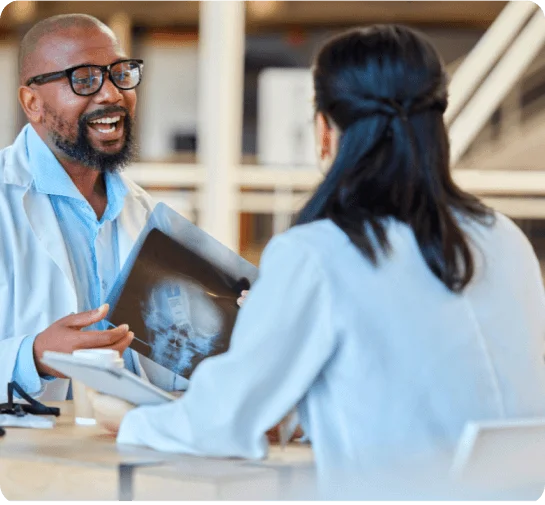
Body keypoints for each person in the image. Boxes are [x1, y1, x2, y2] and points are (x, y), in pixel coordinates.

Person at [93, 24, 545, 477]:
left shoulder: (319, 253)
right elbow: (417, 389)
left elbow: (221, 425)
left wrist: (130, 419)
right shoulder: (505, 238)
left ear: (325, 130)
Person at [0, 13, 249, 402]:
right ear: (32, 102)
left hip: (127, 447)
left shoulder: (149, 216)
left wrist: (234, 328)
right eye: (84, 79)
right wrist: (32, 356)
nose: (111, 94)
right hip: (23, 457)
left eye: (120, 73)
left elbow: (175, 367)